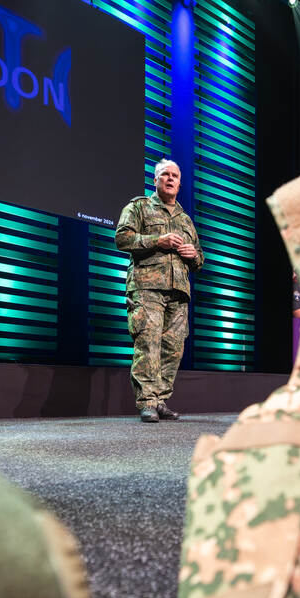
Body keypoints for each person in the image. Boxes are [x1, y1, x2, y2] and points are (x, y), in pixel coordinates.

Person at [114, 159, 204, 423]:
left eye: (175, 175)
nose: (170, 178)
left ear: (180, 182)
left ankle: (161, 399)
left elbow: (199, 259)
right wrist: (158, 240)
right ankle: (147, 402)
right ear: (155, 179)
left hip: (178, 291)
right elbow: (122, 238)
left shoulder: (185, 219)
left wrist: (192, 254)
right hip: (147, 287)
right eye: (165, 174)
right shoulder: (139, 206)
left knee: (172, 348)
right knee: (148, 344)